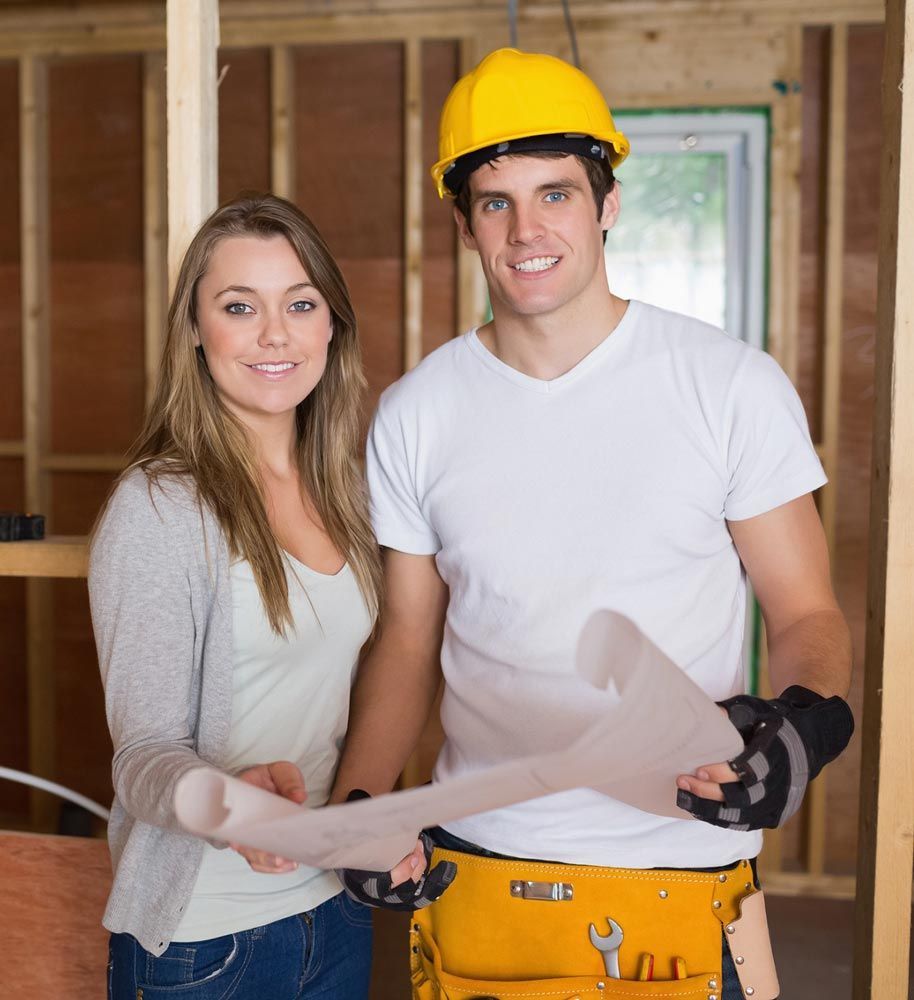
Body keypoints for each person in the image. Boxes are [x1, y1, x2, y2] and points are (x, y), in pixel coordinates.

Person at [331, 49, 855, 998]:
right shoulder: (415, 413)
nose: (527, 229)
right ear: (463, 224)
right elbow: (409, 640)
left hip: (680, 874)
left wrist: (804, 730)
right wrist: (361, 802)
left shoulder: (727, 386)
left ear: (607, 205)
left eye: (556, 194)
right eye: (496, 201)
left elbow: (806, 613)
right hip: (478, 867)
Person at [89, 193, 382, 1000]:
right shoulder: (159, 507)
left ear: (332, 324)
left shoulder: (348, 494)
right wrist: (229, 806)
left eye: (300, 303)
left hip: (333, 909)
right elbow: (142, 756)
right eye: (238, 306)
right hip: (205, 942)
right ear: (195, 328)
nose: (275, 334)